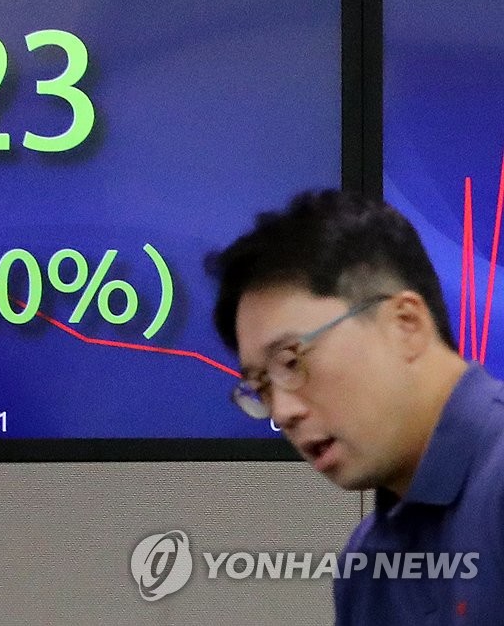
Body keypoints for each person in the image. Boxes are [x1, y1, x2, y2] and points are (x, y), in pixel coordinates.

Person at [207, 189, 504, 624]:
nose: (282, 412)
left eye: (291, 362)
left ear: (405, 325)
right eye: (261, 387)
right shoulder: (364, 568)